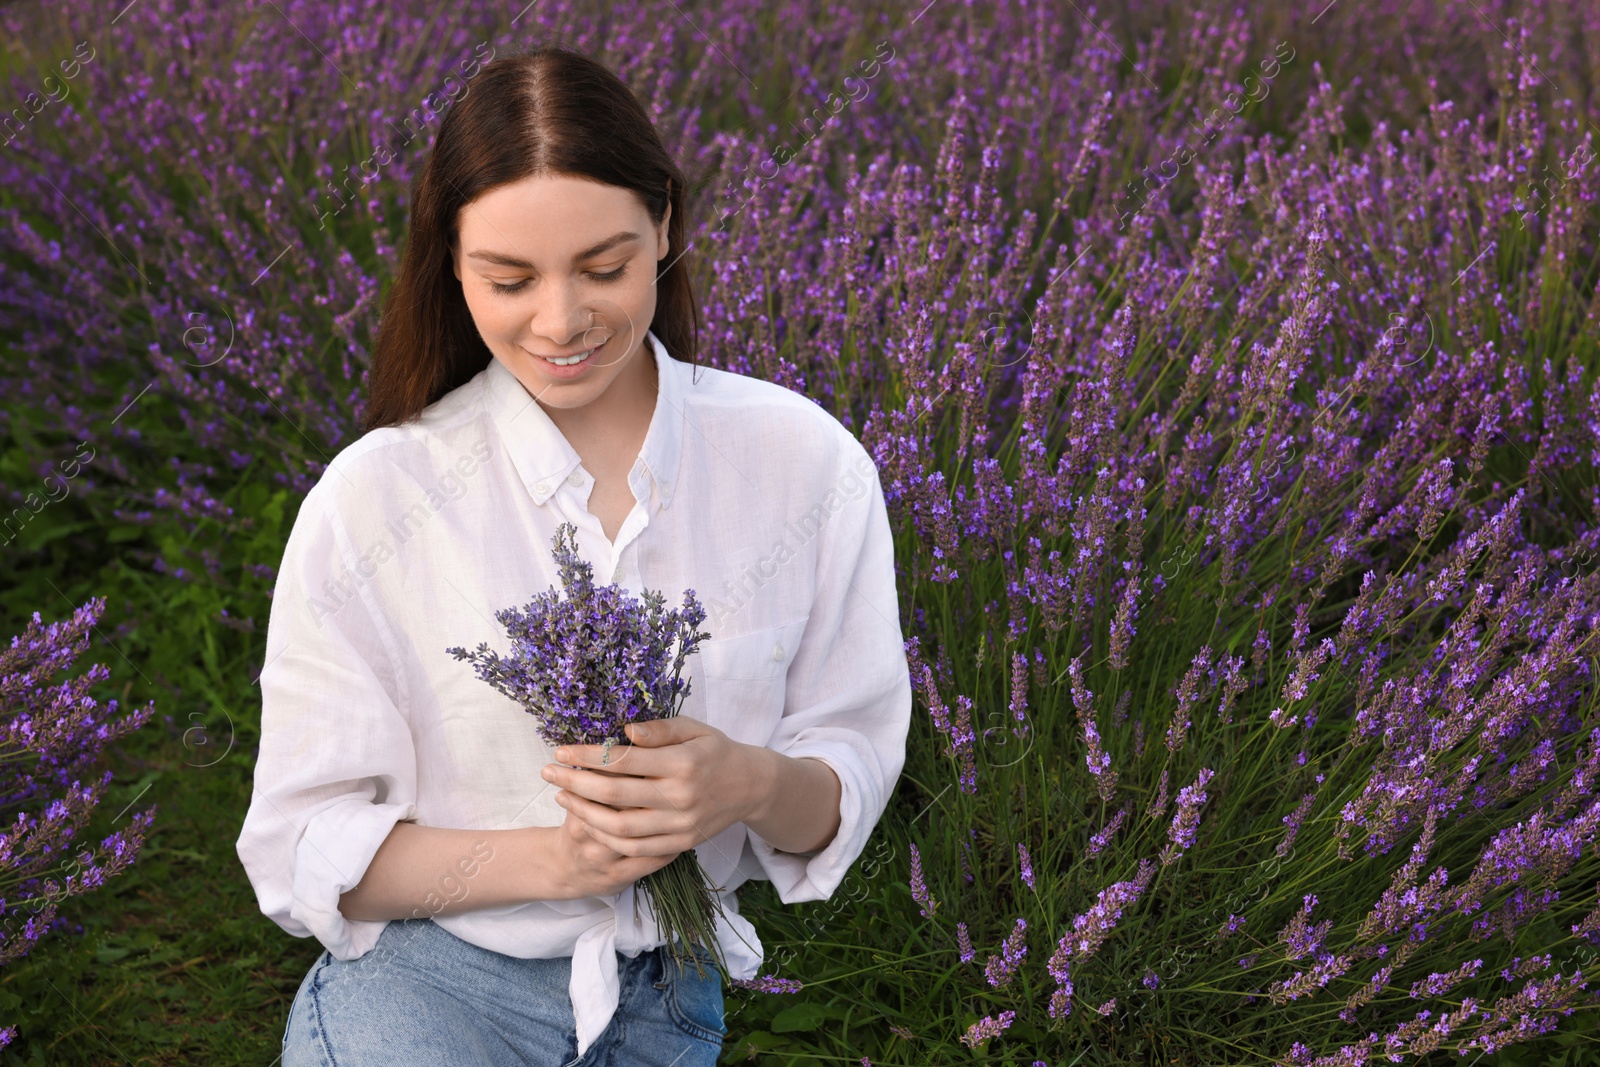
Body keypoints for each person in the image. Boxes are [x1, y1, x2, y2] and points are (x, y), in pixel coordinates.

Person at [234, 43, 911, 1067]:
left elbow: (848, 765)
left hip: (671, 994)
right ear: (451, 265)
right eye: (508, 279)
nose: (563, 321)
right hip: (430, 985)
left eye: (605, 266)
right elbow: (300, 844)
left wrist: (745, 783)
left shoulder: (805, 464)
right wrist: (563, 857)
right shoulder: (378, 496)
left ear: (665, 227)